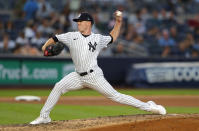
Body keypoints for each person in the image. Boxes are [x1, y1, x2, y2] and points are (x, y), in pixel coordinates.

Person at [30, 11, 166, 125]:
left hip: (93, 75)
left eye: (80, 21)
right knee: (58, 86)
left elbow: (112, 37)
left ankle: (149, 106)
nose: (78, 23)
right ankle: (44, 116)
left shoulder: (97, 38)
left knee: (116, 96)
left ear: (88, 23)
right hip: (77, 75)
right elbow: (54, 38)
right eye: (77, 21)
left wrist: (118, 23)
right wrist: (44, 47)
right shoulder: (71, 36)